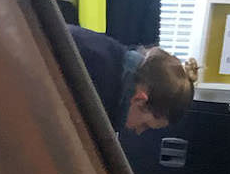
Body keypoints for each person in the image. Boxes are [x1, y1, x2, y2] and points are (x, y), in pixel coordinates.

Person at [63, 19, 198, 134]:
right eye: (145, 125)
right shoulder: (96, 82)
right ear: (139, 100)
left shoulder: (112, 57)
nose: (138, 131)